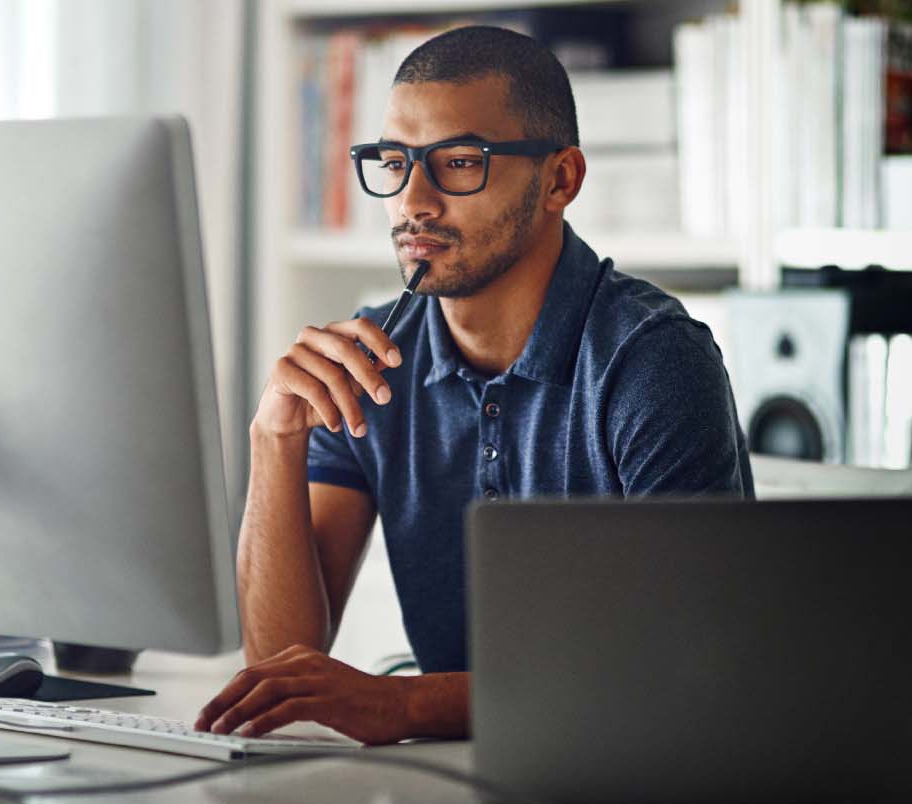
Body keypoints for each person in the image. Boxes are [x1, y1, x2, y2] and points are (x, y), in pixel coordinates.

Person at [195, 25, 753, 744]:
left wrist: (404, 706)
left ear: (560, 180)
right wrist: (273, 438)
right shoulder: (371, 358)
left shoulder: (652, 361)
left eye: (459, 162)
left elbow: (684, 668)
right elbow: (280, 668)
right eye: (394, 162)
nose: (413, 201)